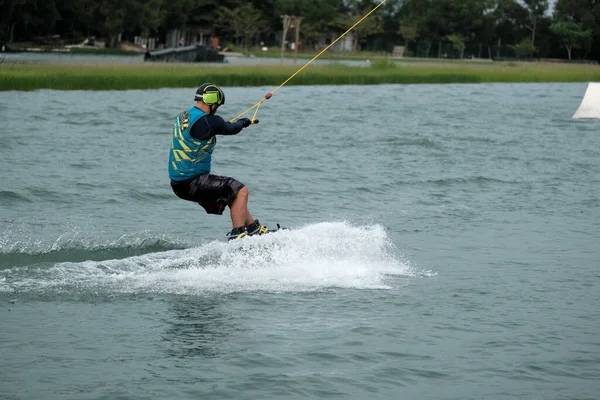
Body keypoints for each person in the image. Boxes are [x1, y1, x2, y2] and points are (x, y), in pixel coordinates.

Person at [168, 83, 270, 240]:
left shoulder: (183, 116)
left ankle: (253, 229)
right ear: (212, 101)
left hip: (177, 184)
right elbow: (231, 129)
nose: (217, 108)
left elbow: (217, 127)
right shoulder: (210, 121)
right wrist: (242, 123)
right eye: (217, 105)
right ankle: (238, 237)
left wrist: (233, 124)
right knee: (241, 190)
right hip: (192, 182)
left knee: (232, 194)